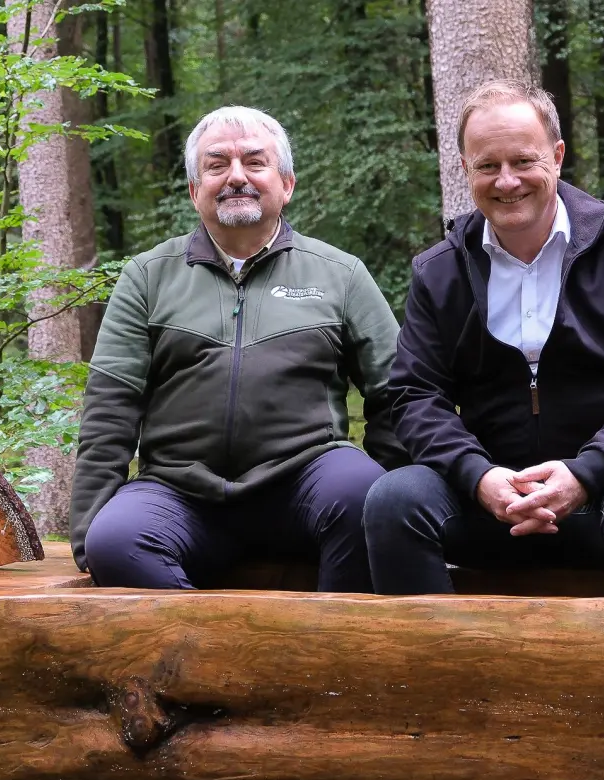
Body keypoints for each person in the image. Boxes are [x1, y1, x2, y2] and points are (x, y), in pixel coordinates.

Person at [364, 80, 604, 597]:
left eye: (523, 161)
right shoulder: (439, 272)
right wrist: (478, 477)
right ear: (464, 169)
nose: (507, 181)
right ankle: (440, 673)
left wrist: (585, 472)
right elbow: (414, 396)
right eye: (487, 166)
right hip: (485, 500)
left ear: (558, 156)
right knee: (393, 501)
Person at [70, 106, 404, 591]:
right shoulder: (147, 276)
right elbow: (109, 410)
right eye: (216, 164)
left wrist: (391, 491)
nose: (236, 177)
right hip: (179, 493)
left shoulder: (341, 274)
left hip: (306, 482)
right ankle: (212, 665)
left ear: (286, 184)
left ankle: (329, 662)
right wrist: (88, 533)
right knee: (115, 540)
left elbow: (395, 392)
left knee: (367, 496)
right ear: (193, 189)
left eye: (254, 162)